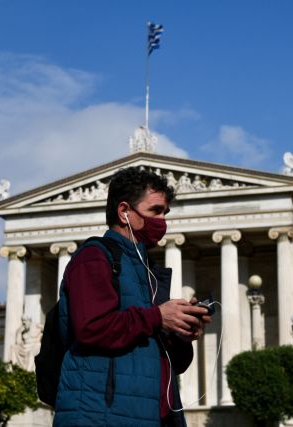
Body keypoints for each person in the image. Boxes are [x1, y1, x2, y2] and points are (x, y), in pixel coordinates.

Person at [53, 167, 210, 427]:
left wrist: (180, 332)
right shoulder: (94, 258)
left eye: (165, 213)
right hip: (101, 416)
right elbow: (91, 328)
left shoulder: (145, 272)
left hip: (150, 415)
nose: (162, 221)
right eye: (155, 211)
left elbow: (168, 362)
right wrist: (158, 317)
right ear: (124, 211)